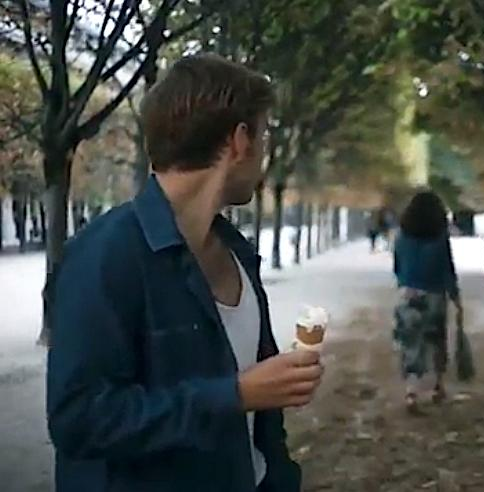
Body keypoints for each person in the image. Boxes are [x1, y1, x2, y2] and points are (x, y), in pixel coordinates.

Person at [46, 54, 323, 492]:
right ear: (239, 141)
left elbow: (263, 429)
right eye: (264, 135)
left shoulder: (239, 254)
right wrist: (235, 394)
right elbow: (79, 419)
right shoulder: (103, 255)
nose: (265, 154)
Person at [393, 191, 463, 412]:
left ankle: (411, 391)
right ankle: (437, 386)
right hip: (435, 293)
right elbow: (447, 268)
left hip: (408, 293)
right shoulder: (439, 236)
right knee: (436, 341)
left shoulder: (402, 235)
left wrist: (404, 283)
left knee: (411, 342)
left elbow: (397, 265)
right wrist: (455, 295)